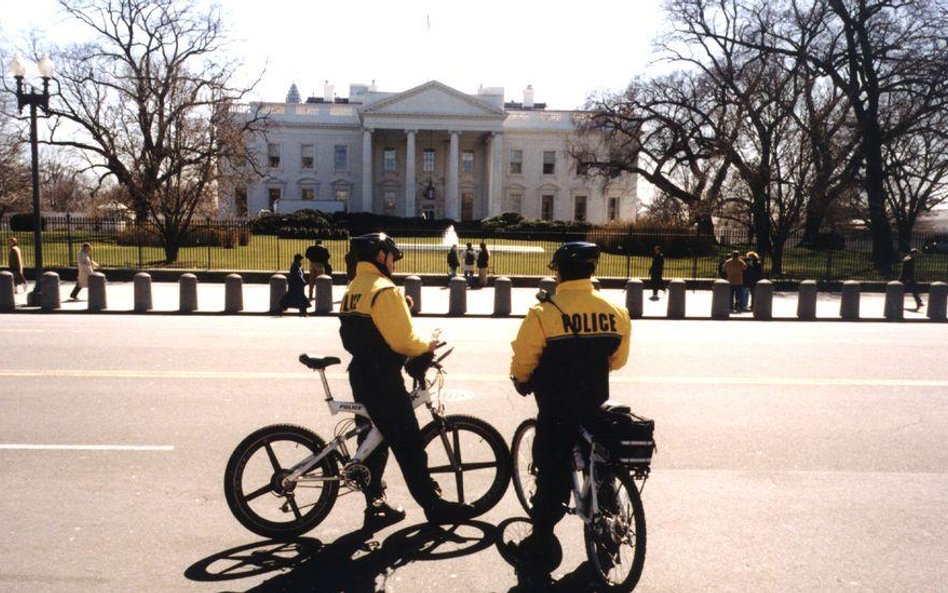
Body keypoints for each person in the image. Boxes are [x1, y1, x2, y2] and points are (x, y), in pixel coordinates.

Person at [508, 241, 632, 589]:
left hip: (557, 406)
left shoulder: (544, 313)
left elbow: (524, 360)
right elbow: (617, 360)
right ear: (592, 270)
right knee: (600, 460)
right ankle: (608, 520)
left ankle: (540, 542)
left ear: (559, 271)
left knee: (551, 473)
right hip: (594, 401)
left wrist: (521, 380)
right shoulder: (614, 310)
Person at [339, 232, 476, 529]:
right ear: (380, 256)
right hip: (381, 377)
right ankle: (434, 506)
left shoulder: (355, 287)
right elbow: (404, 340)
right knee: (409, 444)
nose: (394, 264)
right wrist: (427, 345)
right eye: (392, 257)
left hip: (360, 370)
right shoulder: (383, 289)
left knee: (375, 440)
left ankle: (374, 503)